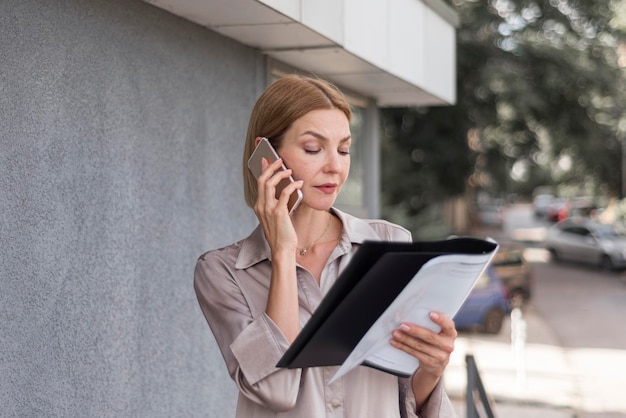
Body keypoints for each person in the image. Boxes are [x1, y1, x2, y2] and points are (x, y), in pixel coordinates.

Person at [194, 74, 458, 418]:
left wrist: (433, 369)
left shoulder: (390, 245)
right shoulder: (223, 273)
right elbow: (275, 392)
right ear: (266, 156)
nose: (335, 166)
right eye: (313, 149)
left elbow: (406, 394)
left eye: (344, 149)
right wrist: (283, 253)